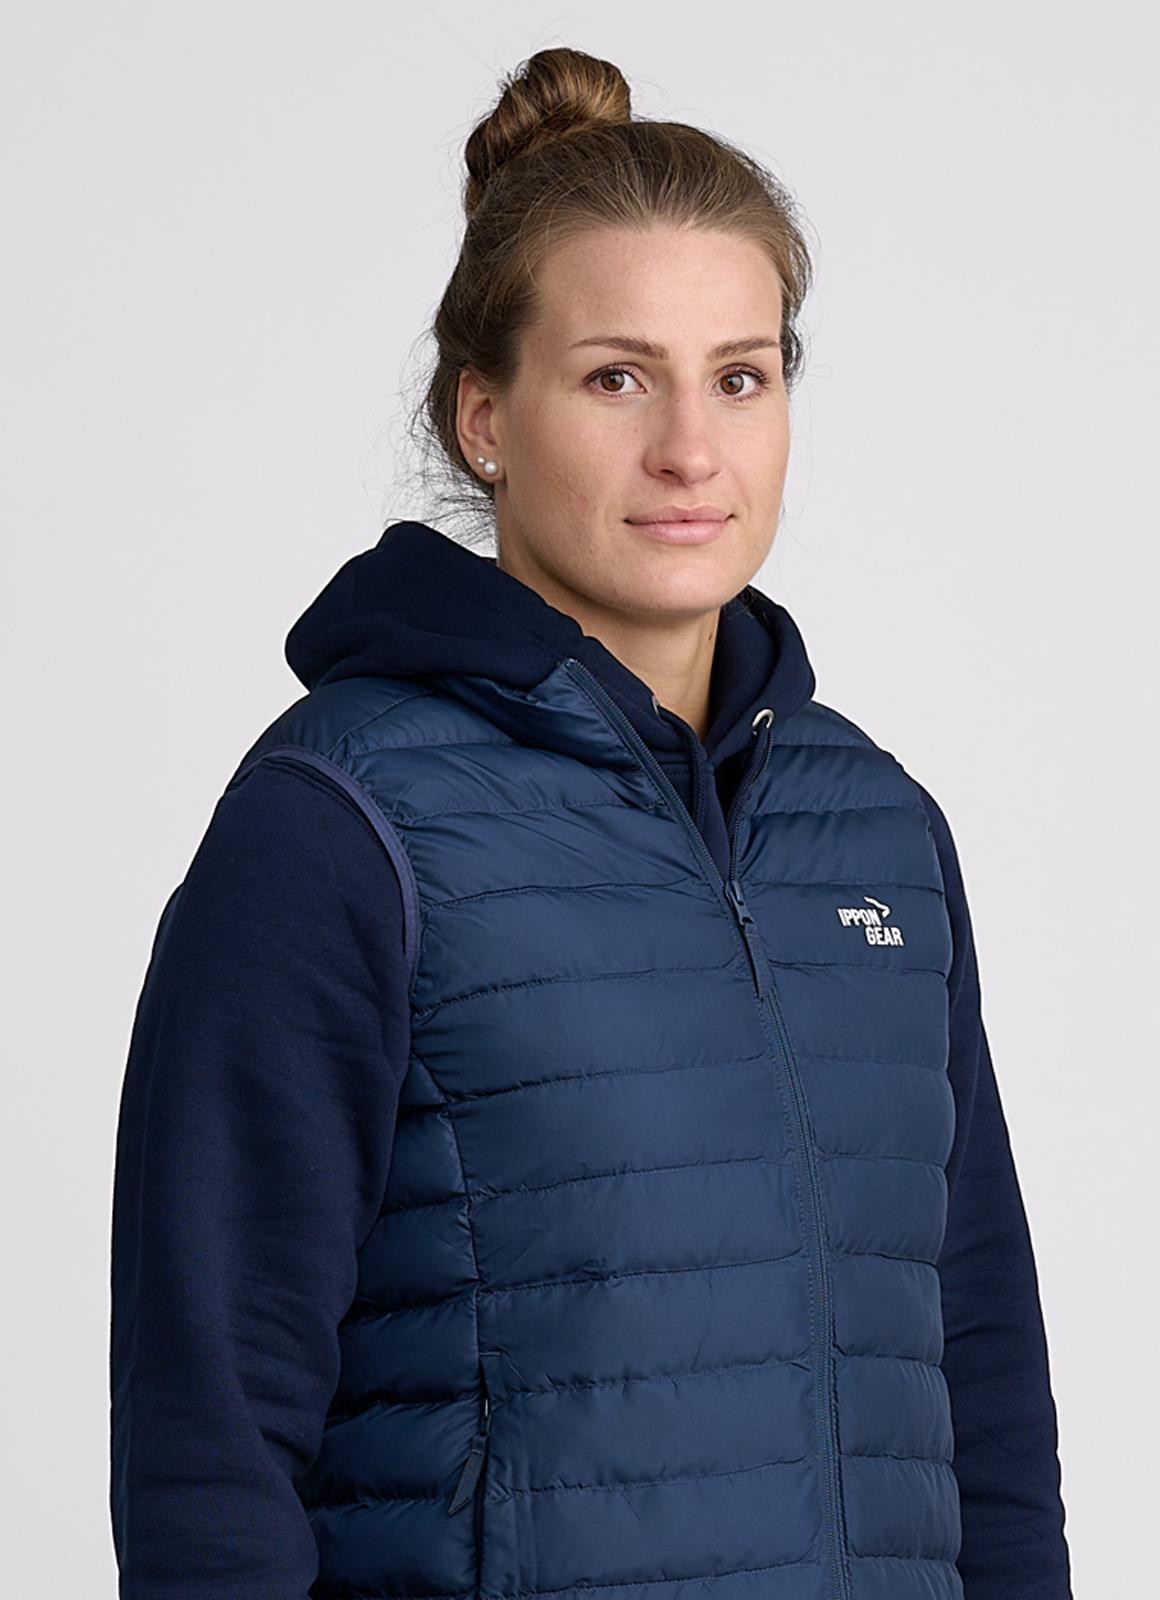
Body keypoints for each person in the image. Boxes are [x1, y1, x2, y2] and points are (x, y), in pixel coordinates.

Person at [109, 44, 1072, 1600]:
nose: (691, 449)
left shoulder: (877, 830)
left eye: (740, 376)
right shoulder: (338, 827)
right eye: (617, 376)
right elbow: (209, 1439)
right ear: (485, 417)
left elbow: (987, 1388)